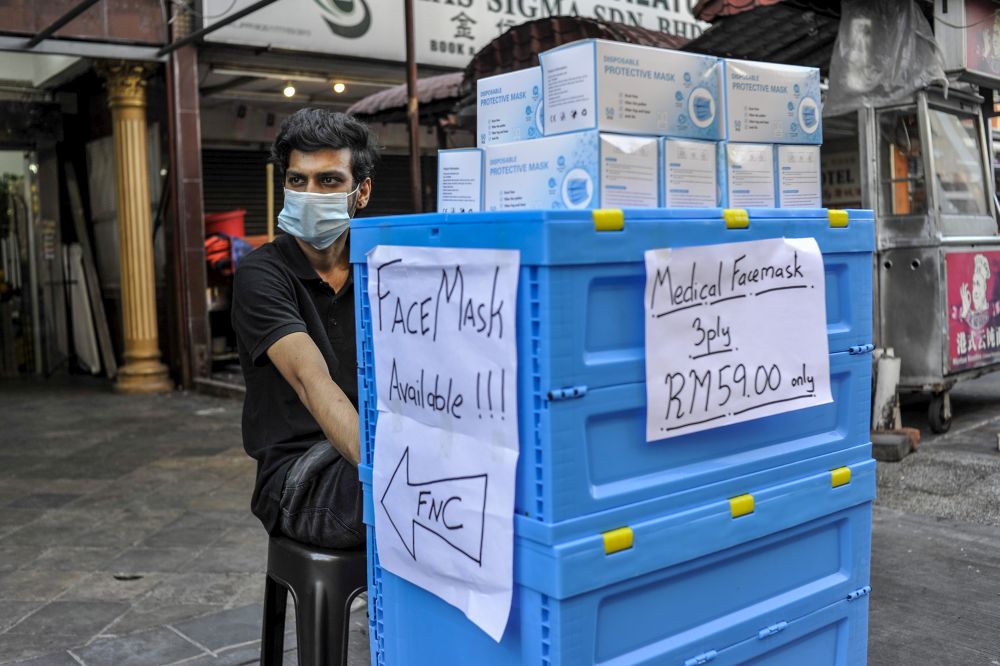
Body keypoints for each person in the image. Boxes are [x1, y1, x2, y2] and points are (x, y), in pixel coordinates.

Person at [231, 108, 376, 548]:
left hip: (369, 451)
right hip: (299, 476)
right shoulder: (261, 274)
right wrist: (390, 473)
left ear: (361, 192)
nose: (310, 193)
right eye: (298, 180)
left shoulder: (380, 265)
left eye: (329, 181)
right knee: (427, 507)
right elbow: (312, 382)